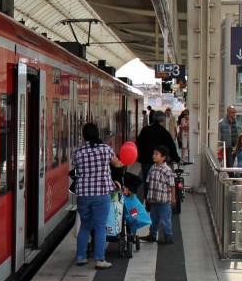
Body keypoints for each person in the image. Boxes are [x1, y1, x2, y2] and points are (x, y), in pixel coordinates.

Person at [72, 122, 123, 269]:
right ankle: (99, 260)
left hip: (83, 194)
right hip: (101, 193)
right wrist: (120, 164)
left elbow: (76, 168)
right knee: (100, 226)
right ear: (97, 135)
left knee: (85, 226)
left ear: (83, 137)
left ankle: (81, 257)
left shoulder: (78, 153)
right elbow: (116, 164)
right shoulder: (105, 149)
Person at [135, 110, 181, 200]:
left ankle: (148, 203)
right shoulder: (164, 132)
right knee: (159, 181)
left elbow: (138, 144)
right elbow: (171, 147)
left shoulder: (145, 130)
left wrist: (139, 156)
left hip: (146, 161)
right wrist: (177, 159)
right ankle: (157, 200)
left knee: (147, 181)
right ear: (163, 120)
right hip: (159, 161)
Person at [142, 145, 175, 244]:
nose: (154, 156)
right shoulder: (152, 168)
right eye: (153, 154)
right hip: (154, 199)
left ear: (163, 157)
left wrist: (173, 198)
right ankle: (152, 234)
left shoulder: (167, 170)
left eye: (156, 154)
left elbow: (172, 185)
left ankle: (168, 236)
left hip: (164, 200)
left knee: (165, 219)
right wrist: (148, 197)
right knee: (153, 218)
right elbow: (149, 183)